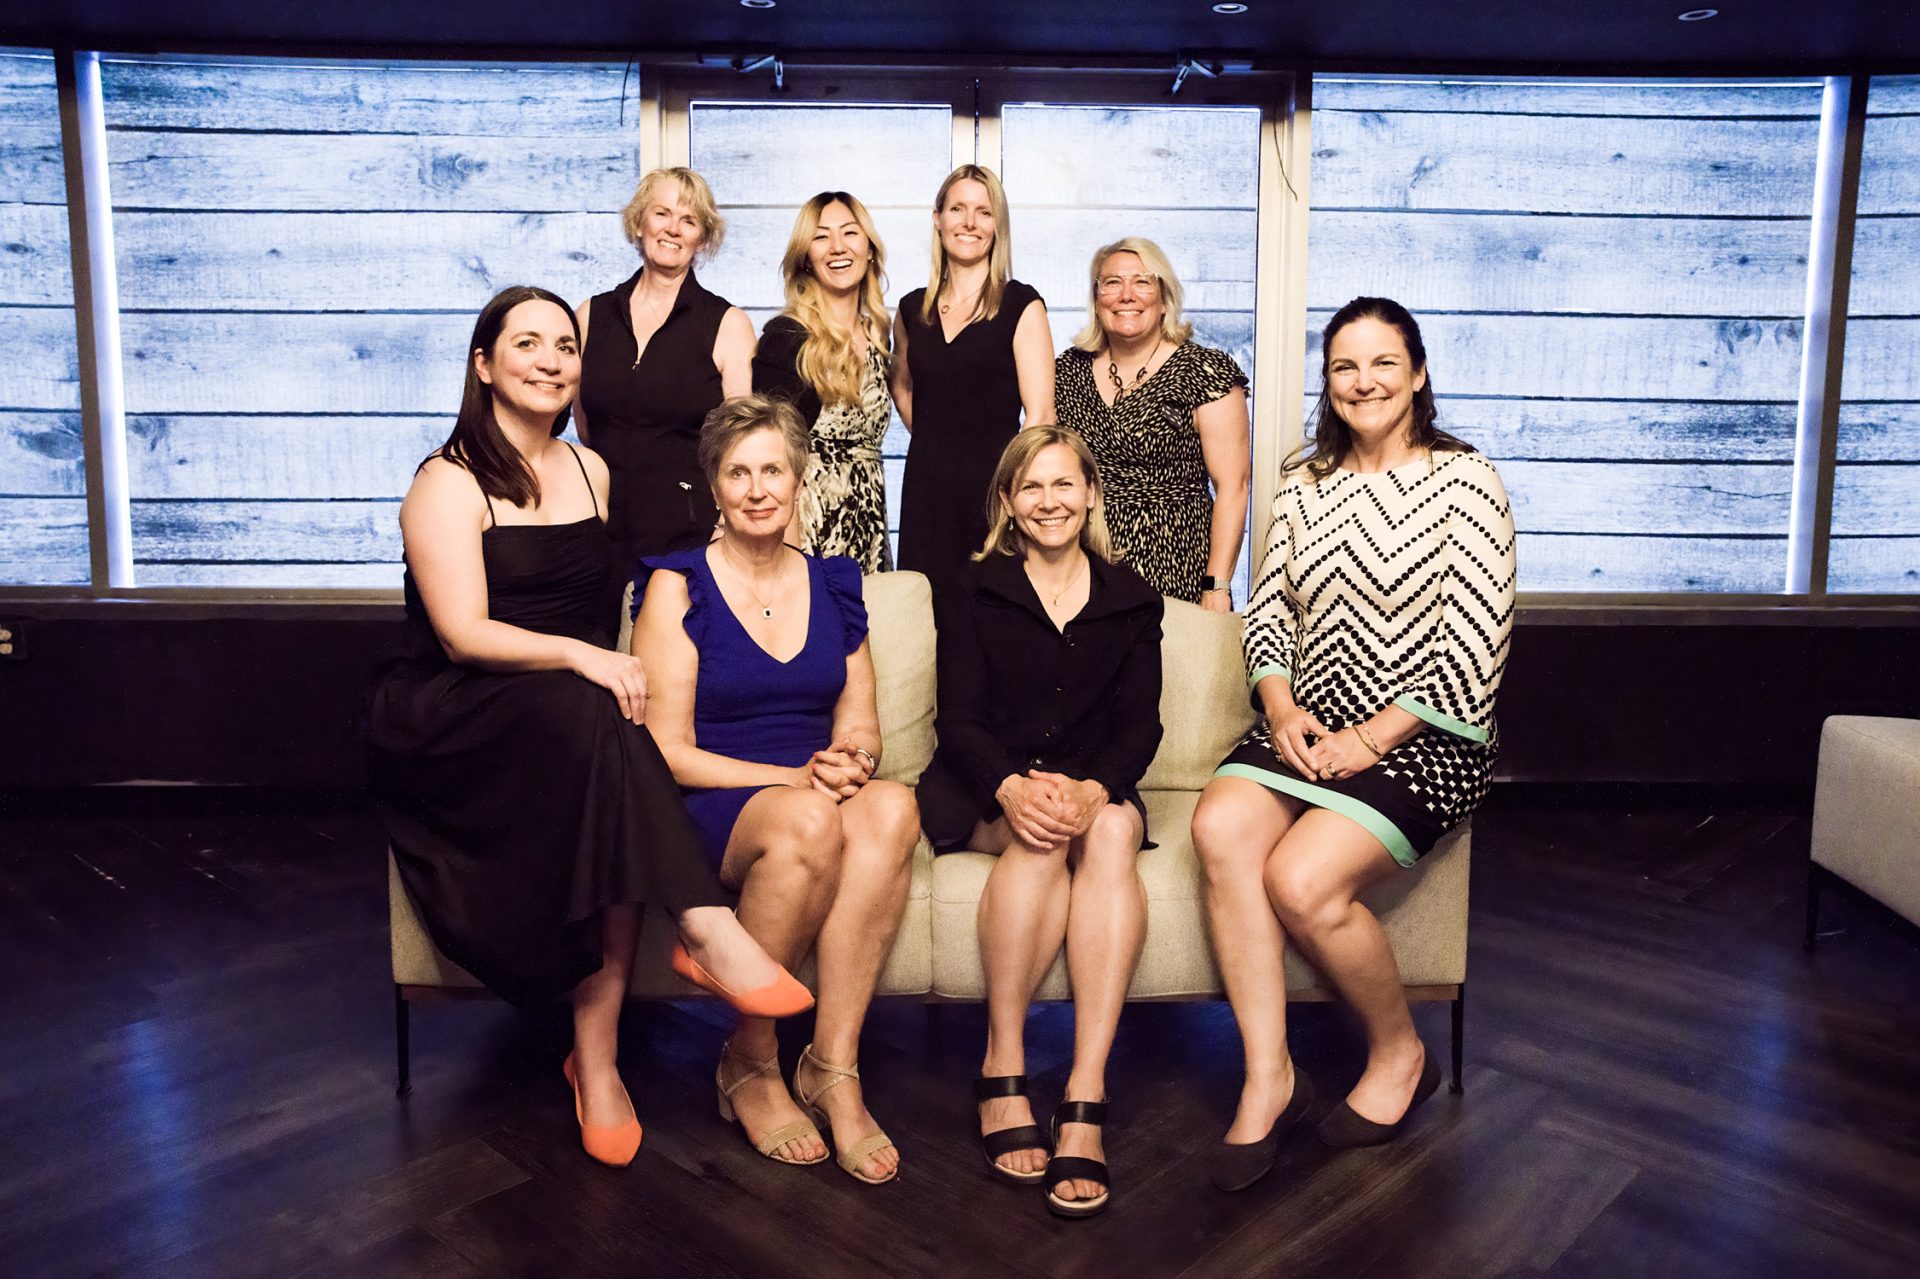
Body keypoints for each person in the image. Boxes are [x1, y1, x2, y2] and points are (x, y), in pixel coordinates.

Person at [365, 288, 812, 1171]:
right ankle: (705, 927)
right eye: (524, 343)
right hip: (454, 719)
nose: (549, 359)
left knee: (603, 737)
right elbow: (462, 633)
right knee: (596, 709)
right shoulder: (445, 482)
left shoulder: (591, 471)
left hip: (567, 721)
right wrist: (583, 658)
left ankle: (596, 1062)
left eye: (564, 344)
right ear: (484, 363)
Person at [1190, 297, 1516, 1192]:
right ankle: (1270, 1072)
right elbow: (1272, 616)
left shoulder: (1467, 482)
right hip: (1311, 720)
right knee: (1221, 829)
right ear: (1327, 383)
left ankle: (1401, 1053)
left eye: (1382, 363)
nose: (1363, 381)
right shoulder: (1302, 480)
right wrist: (1281, 706)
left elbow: (1475, 647)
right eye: (1344, 366)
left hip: (1427, 733)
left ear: (1416, 373)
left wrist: (1370, 738)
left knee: (1301, 878)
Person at [632, 394, 921, 1186]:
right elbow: (666, 751)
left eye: (773, 470)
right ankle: (751, 1062)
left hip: (808, 792)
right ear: (715, 486)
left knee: (894, 806)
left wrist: (853, 761)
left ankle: (832, 1064)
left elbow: (860, 722)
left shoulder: (835, 582)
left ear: (799, 481)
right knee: (804, 821)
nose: (758, 487)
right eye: (738, 472)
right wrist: (796, 779)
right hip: (719, 800)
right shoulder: (676, 585)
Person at [917, 426, 1164, 1219]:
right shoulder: (971, 586)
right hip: (986, 784)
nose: (1049, 501)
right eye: (1031, 487)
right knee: (1035, 833)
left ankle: (1085, 1085)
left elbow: (1139, 726)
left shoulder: (1132, 597)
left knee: (1117, 831)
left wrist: (1096, 791)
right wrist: (1014, 786)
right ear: (1008, 503)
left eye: (1064, 485)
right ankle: (1005, 1065)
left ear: (1091, 493)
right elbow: (958, 719)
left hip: (1092, 784)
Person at [575, 167, 756, 580]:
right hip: (596, 533)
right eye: (662, 213)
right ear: (639, 222)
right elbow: (585, 424)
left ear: (703, 239)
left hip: (687, 539)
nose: (673, 228)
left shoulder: (727, 324)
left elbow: (739, 445)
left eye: (689, 220)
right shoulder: (591, 315)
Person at [1054, 237, 1250, 608]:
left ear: (1164, 299)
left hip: (1177, 567)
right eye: (1112, 283)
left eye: (1143, 281)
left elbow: (1234, 487)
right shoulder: (1066, 371)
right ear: (1097, 301)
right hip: (1082, 565)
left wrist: (1217, 585)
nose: (1127, 294)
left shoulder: (1205, 370)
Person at [891, 164, 1054, 589]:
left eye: (983, 212)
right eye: (957, 209)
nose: (968, 222)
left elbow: (1040, 416)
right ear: (937, 219)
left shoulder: (1022, 304)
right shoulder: (912, 310)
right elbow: (902, 384)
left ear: (997, 225)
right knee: (924, 621)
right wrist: (935, 438)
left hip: (994, 492)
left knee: (991, 619)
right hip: (926, 491)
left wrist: (1017, 494)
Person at [752, 190, 895, 573]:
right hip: (808, 527)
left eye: (849, 233)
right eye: (820, 236)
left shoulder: (880, 338)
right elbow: (769, 455)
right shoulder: (786, 338)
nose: (837, 247)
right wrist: (789, 549)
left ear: (869, 250)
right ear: (806, 259)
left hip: (869, 526)